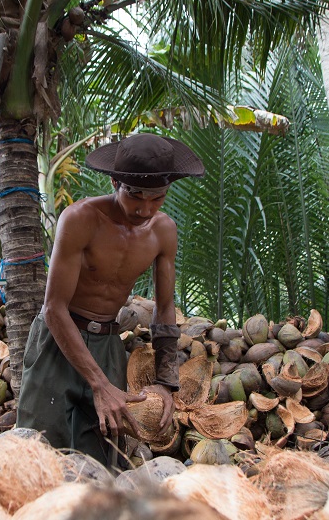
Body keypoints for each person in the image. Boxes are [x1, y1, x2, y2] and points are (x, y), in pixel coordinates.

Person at [16, 132, 205, 466]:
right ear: (116, 182)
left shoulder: (163, 232)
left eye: (157, 198)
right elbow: (53, 307)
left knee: (103, 461)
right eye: (135, 195)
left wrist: (166, 383)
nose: (145, 208)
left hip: (107, 343)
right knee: (37, 455)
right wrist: (99, 385)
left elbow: (163, 309)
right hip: (57, 341)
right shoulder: (80, 219)